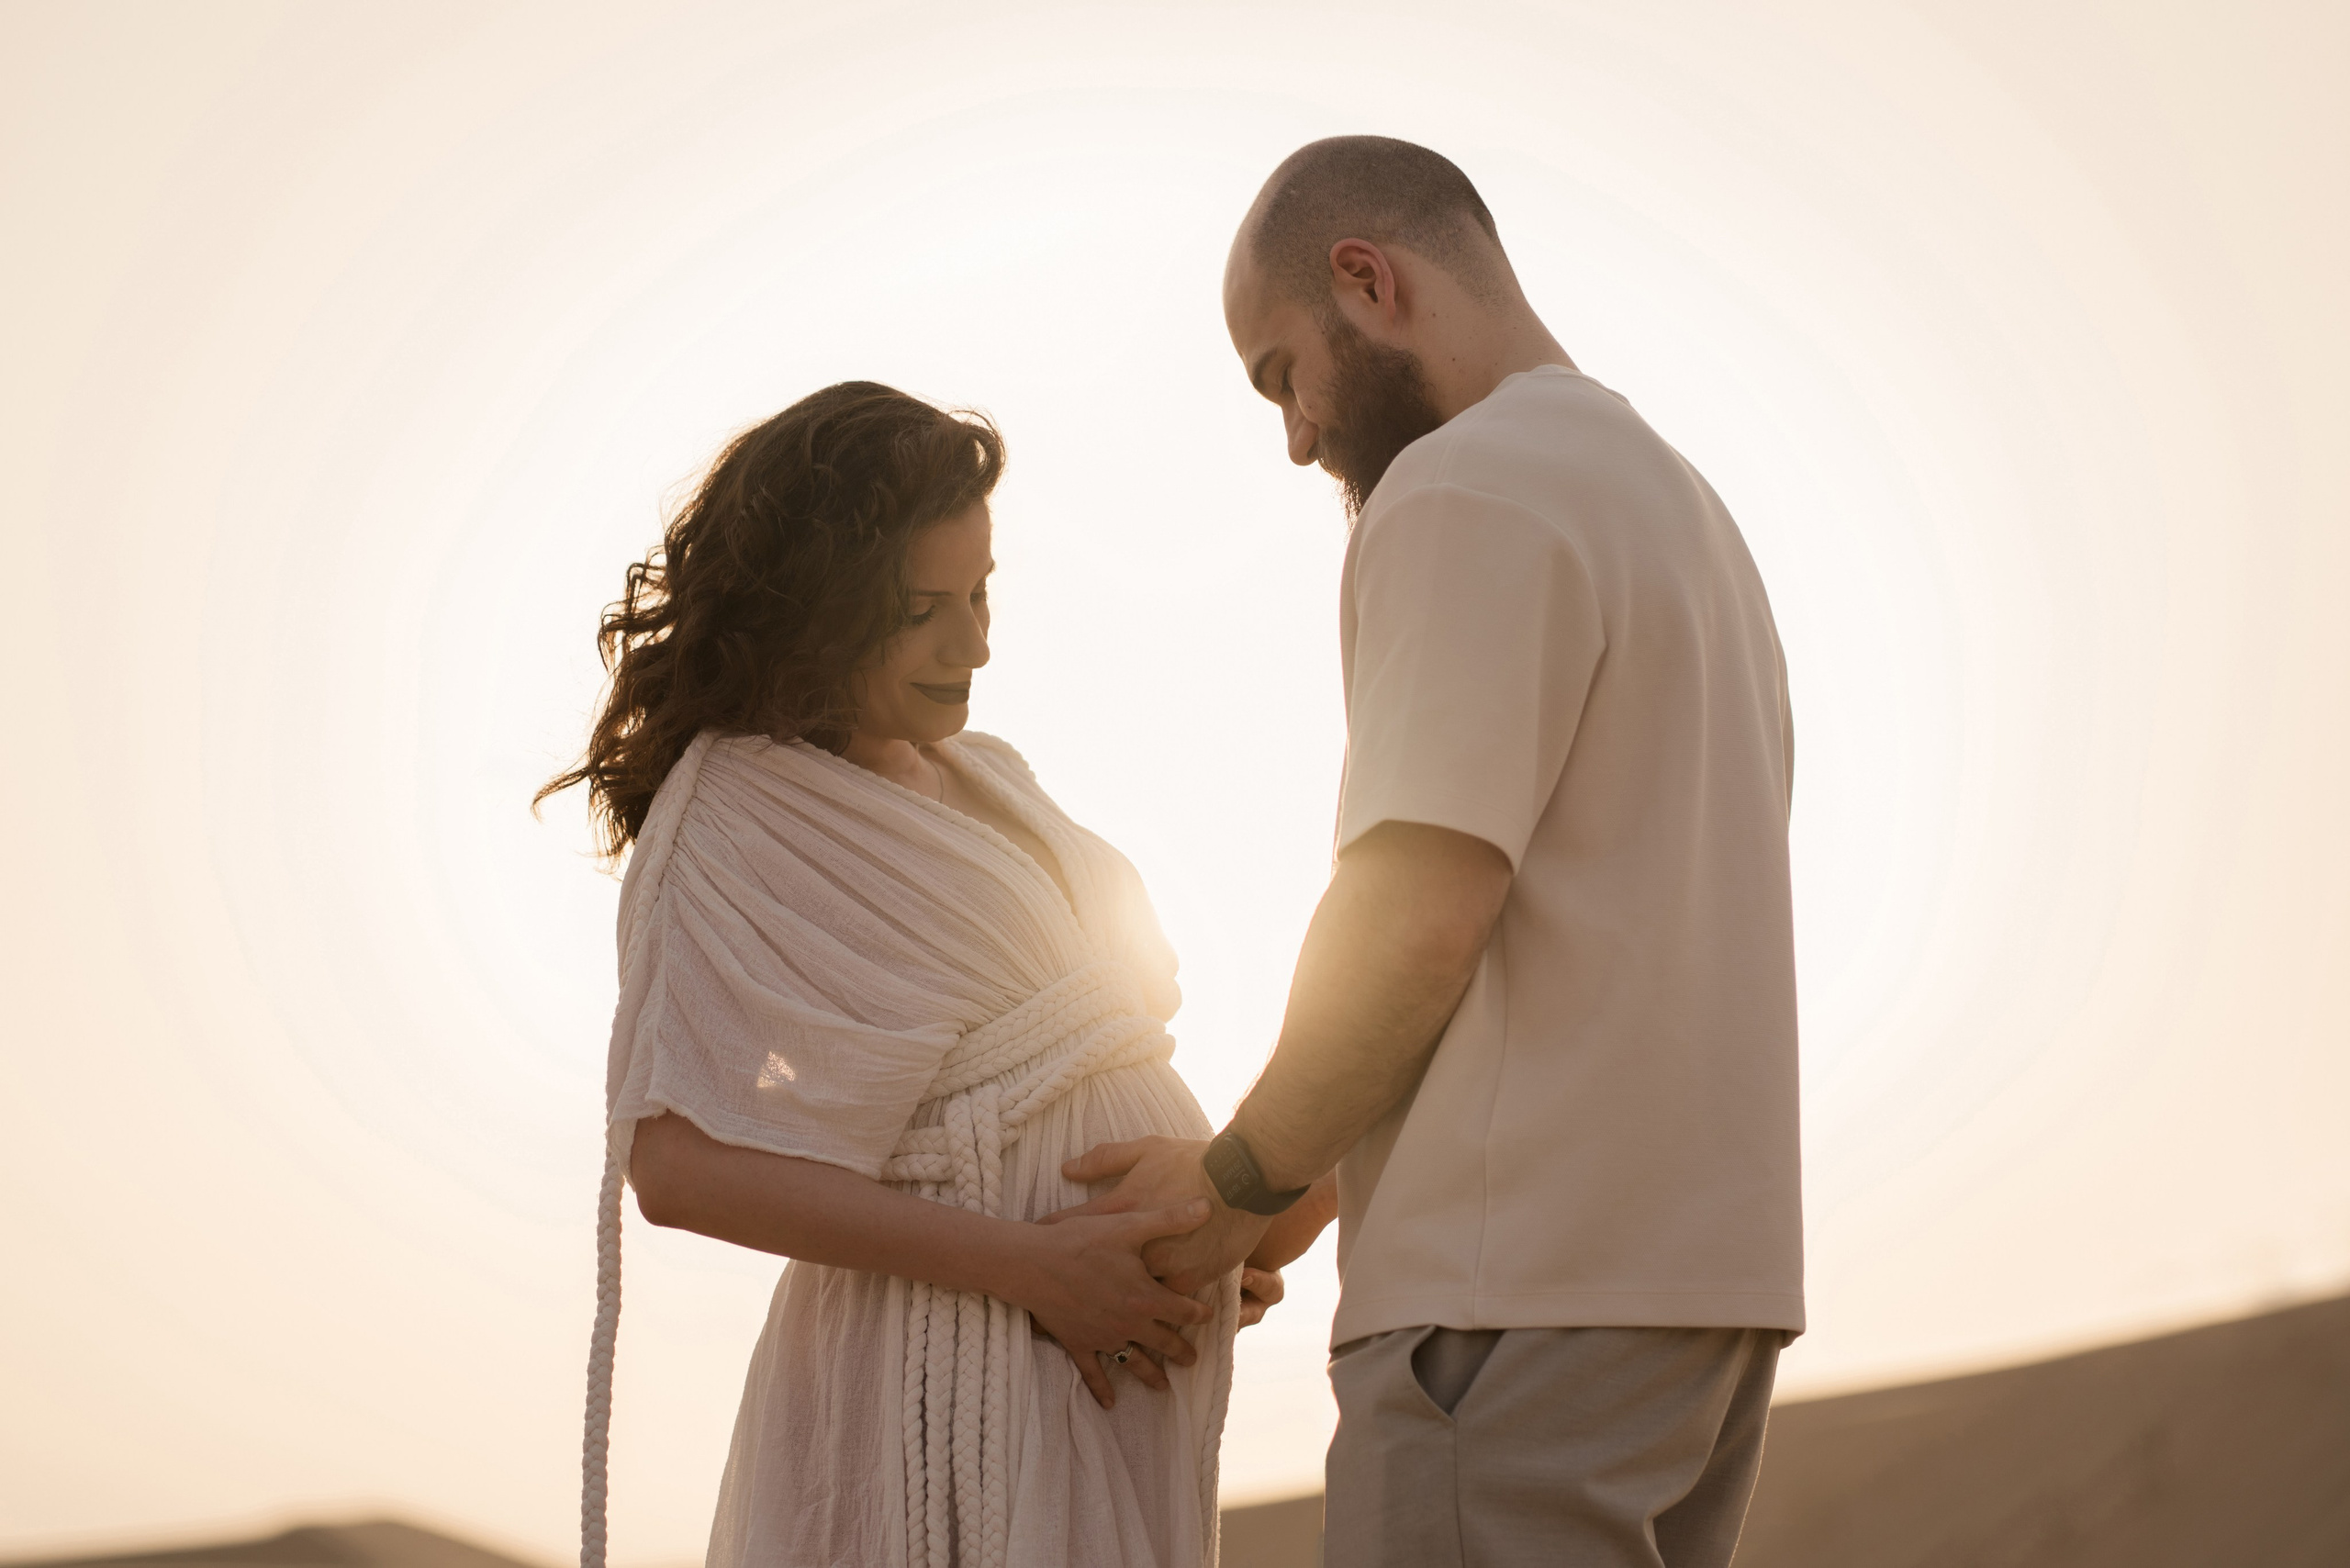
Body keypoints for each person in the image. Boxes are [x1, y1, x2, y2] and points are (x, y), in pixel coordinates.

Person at [1057, 137, 1806, 1567]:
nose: (1296, 436)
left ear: (1367, 280)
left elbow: (1417, 924)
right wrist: (1297, 1197)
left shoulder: (1462, 490)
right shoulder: (1688, 518)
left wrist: (1231, 1187)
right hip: (1703, 1315)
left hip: (1507, 1320)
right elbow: (1574, 954)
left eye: (1283, 374)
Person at [544, 383, 1297, 1568]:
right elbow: (675, 1167)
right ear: (818, 608)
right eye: (921, 611)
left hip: (1093, 1360)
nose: (975, 644)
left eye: (981, 593)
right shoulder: (733, 812)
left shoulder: (989, 770)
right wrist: (1037, 1267)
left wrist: (1194, 1241)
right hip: (946, 1369)